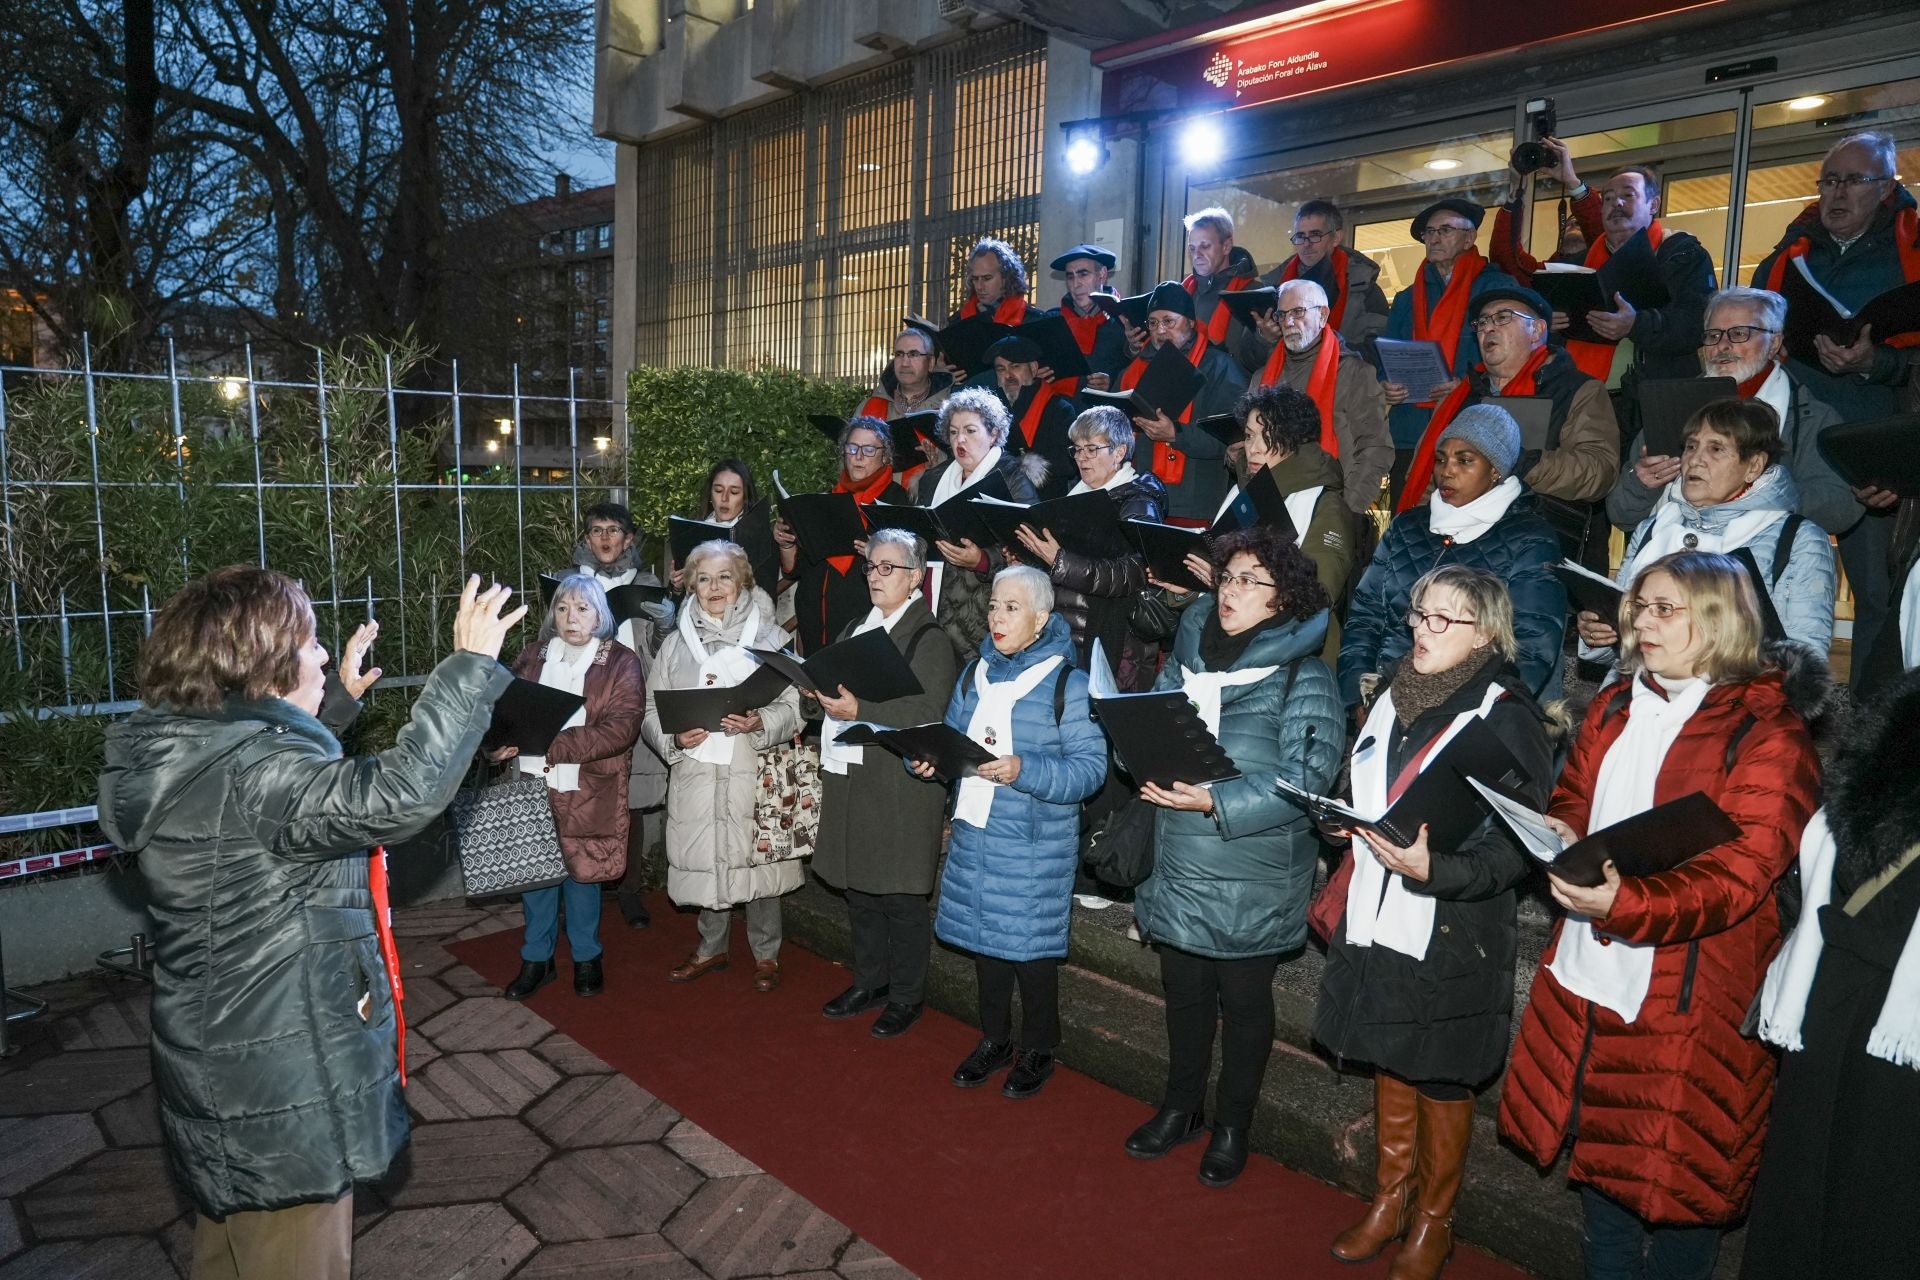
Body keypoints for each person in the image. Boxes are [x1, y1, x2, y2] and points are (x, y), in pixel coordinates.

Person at [97, 569, 524, 1279]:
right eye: (310, 644)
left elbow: (265, 806)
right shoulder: (259, 774)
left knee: (232, 1249)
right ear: (260, 663)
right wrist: (469, 665)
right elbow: (401, 792)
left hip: (224, 1057)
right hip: (282, 1077)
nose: (324, 657)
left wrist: (329, 713)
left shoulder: (195, 751)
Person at [1498, 551, 1825, 1280]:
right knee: (1603, 1175)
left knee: (1679, 1188)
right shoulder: (1616, 704)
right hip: (1590, 966)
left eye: (1664, 609)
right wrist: (1558, 834)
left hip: (1688, 989)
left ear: (1718, 619)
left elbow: (1742, 874)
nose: (1642, 621)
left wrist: (1628, 902)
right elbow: (1575, 797)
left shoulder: (1769, 733)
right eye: (1639, 607)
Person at [1314, 566, 1557, 1280]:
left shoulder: (1507, 714)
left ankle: (1432, 1222)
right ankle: (1389, 1199)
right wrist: (1338, 822)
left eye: (1440, 620)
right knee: (1392, 1052)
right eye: (1418, 615)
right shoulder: (1395, 691)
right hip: (1379, 909)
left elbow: (1518, 847)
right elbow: (1365, 785)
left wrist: (1436, 872)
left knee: (1443, 1073)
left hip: (1452, 925)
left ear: (1484, 633)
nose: (1420, 629)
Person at [1125, 528, 1343, 1187]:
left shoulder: (1306, 675)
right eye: (1227, 577)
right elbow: (1145, 728)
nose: (1231, 591)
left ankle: (1231, 1126)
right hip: (1181, 860)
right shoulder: (1186, 658)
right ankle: (1181, 1107)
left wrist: (1214, 804)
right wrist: (1136, 752)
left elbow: (1308, 779)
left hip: (1254, 865)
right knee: (1184, 994)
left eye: (1251, 581)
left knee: (1244, 1005)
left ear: (1284, 601)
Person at [1745, 668, 1920, 1279]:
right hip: (1847, 999)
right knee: (1821, 1206)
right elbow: (1847, 834)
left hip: (1874, 1015)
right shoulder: (1904, 710)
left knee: (1861, 1214)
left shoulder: (1901, 708)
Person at [915, 566, 1107, 1099]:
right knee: (986, 947)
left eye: (1012, 607)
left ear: (1043, 618)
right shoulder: (972, 673)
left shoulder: (1068, 683)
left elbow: (1090, 770)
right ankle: (995, 1039)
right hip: (978, 830)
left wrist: (1025, 768)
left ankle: (1040, 1047)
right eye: (994, 605)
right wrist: (933, 762)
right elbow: (954, 740)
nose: (996, 616)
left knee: (1032, 954)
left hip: (1032, 840)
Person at [1751, 130, 1920, 688]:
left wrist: (1877, 365)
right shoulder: (1786, 258)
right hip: (1790, 438)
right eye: (1828, 180)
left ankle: (1865, 731)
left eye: (1853, 180)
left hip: (1875, 441)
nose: (1836, 193)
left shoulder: (1913, 251)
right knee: (1759, 579)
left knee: (1877, 594)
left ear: (1888, 186)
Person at [809, 529, 960, 1038]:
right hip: (856, 774)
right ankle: (869, 981)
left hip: (902, 783)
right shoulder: (858, 624)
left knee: (899, 897)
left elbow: (928, 711)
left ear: (916, 577)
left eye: (888, 568)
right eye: (872, 566)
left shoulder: (928, 637)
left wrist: (861, 709)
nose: (876, 576)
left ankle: (906, 996)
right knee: (860, 890)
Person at [644, 540, 805, 993]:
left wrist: (761, 721)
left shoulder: (770, 639)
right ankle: (711, 946)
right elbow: (650, 713)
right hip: (696, 771)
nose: (714, 587)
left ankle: (767, 953)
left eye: (724, 577)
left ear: (743, 583)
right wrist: (673, 738)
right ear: (691, 585)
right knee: (708, 853)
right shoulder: (675, 646)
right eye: (704, 578)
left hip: (752, 767)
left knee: (758, 864)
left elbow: (796, 706)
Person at [1341, 404, 1568, 709]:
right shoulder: (1408, 527)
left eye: (1465, 460)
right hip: (1383, 697)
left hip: (1468, 712)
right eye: (1441, 459)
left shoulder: (1530, 538)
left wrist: (1471, 715)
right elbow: (1365, 616)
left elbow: (1532, 647)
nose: (1447, 471)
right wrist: (1359, 697)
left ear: (1496, 470)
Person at [1579, 398, 1837, 665]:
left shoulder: (1798, 540)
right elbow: (1622, 655)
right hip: (1639, 698)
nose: (1695, 460)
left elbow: (1806, 664)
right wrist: (1602, 634)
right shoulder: (1653, 528)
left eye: (1716, 449)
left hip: (1729, 702)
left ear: (1754, 466)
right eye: (1691, 447)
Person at [492, 575, 647, 1000]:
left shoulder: (619, 661)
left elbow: (622, 727)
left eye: (582, 609)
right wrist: (497, 746)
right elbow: (502, 713)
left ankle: (586, 957)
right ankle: (536, 960)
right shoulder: (532, 656)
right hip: (531, 781)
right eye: (562, 609)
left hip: (589, 783)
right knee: (537, 875)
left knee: (583, 875)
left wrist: (551, 744)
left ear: (600, 614)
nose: (571, 618)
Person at [1608, 286, 1861, 541]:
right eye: (1713, 335)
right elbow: (1621, 514)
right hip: (1672, 562)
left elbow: (1840, 509)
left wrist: (1756, 487)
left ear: (1774, 343)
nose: (1723, 346)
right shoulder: (1671, 406)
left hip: (1762, 569)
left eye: (1739, 334)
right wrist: (1641, 484)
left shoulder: (1810, 417)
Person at [1398, 286, 1621, 566]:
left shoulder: (1579, 390)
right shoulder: (1458, 398)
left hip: (1535, 554)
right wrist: (1415, 546)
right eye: (1482, 322)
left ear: (1537, 331)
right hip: (1456, 553)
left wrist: (1522, 462)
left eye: (1503, 318)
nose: (1488, 329)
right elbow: (1427, 478)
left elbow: (1600, 472)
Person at [1154, 384, 1356, 664]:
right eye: (1249, 436)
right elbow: (1220, 576)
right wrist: (1190, 585)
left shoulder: (1326, 503)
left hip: (1291, 660)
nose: (1255, 448)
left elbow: (1317, 596)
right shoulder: (1243, 489)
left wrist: (1220, 579)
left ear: (1297, 442)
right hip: (1225, 648)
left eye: (1270, 437)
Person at [1494, 150, 1715, 383]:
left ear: (1654, 205)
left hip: (1655, 400)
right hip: (1582, 396)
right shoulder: (1577, 266)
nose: (1616, 203)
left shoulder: (1681, 254)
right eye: (1607, 198)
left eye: (1628, 195)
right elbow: (1510, 263)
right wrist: (1548, 325)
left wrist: (1635, 325)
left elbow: (1697, 325)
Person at [571, 502, 674, 931]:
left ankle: (629, 889)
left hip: (633, 700)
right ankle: (584, 890)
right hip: (584, 704)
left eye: (615, 530)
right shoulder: (570, 584)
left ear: (629, 538)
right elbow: (549, 639)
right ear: (587, 538)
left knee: (628, 802)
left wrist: (667, 622)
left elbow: (664, 647)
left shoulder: (647, 582)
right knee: (582, 800)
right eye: (597, 531)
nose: (606, 538)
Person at [1012, 405, 1165, 686]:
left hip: (1117, 644)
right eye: (1077, 449)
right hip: (1068, 633)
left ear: (1119, 452)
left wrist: (1059, 561)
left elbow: (1133, 574)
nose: (1082, 458)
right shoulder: (1075, 496)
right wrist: (1030, 557)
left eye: (1091, 449)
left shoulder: (1139, 502)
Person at [1380, 199, 1517, 497]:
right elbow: (1387, 359)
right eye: (1429, 232)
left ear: (1469, 238)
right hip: (1410, 430)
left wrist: (1466, 386)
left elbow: (1514, 359)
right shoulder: (1406, 298)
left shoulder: (1498, 288)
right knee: (1410, 526)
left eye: (1445, 230)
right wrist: (1386, 385)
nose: (1435, 238)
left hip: (1470, 428)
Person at [914, 387, 1044, 655]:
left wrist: (982, 560)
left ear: (994, 433)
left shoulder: (1014, 479)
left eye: (971, 431)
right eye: (953, 432)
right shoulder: (932, 479)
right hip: (932, 603)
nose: (960, 440)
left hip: (986, 611)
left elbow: (1033, 551)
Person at [1248, 277, 1394, 514]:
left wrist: (1345, 510)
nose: (1289, 321)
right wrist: (1235, 453)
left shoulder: (1353, 373)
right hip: (1268, 507)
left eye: (1298, 311)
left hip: (1328, 508)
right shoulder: (1261, 378)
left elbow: (1375, 449)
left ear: (1323, 315)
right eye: (1282, 315)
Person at [775, 416, 910, 655]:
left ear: (885, 456)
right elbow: (797, 569)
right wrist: (786, 544)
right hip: (814, 624)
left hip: (863, 625)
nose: (858, 456)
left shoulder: (896, 500)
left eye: (869, 449)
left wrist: (877, 551)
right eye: (852, 447)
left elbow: (909, 569)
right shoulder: (826, 498)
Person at [1121, 281, 1249, 523]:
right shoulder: (1132, 371)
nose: (1159, 330)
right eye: (1153, 323)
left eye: (1169, 321)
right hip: (1142, 500)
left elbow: (1231, 439)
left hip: (1198, 505)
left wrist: (1175, 434)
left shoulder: (1219, 367)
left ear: (1190, 322)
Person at [1236, 199, 1389, 363]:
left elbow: (1378, 353)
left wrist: (1320, 350)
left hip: (1343, 384)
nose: (1307, 244)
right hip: (1285, 384)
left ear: (1336, 237)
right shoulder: (1273, 288)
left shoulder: (1364, 290)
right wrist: (1264, 338)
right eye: (1301, 236)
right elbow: (1248, 361)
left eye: (1315, 235)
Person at [671, 457, 779, 598]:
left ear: (745, 498)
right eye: (718, 490)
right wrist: (677, 586)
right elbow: (676, 604)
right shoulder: (692, 532)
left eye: (734, 492)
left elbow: (766, 598)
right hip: (696, 616)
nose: (724, 498)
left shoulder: (762, 538)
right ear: (710, 494)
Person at [859, 328, 953, 489]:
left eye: (914, 354)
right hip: (871, 505)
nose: (904, 362)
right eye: (899, 354)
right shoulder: (869, 406)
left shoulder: (952, 411)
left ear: (930, 363)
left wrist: (937, 464)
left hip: (926, 505)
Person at [987, 333, 1074, 498]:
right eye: (1001, 369)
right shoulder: (989, 410)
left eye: (1015, 366)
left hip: (1047, 503)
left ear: (1033, 368)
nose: (1008, 375)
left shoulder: (1060, 409)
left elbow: (1067, 465)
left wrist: (1021, 466)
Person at [1180, 206, 1262, 356]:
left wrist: (1265, 339)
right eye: (1192, 248)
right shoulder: (1181, 292)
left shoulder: (1253, 293)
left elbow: (1256, 360)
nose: (1196, 255)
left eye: (1205, 246)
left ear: (1226, 246)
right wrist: (1134, 346)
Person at [1048, 243, 1128, 391]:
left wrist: (1113, 383)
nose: (1076, 284)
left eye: (1083, 274)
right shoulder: (1051, 323)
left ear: (1102, 275)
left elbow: (1138, 373)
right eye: (1070, 277)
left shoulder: (1125, 323)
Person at [957, 237, 1043, 328]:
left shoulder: (1035, 322)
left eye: (987, 278)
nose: (979, 286)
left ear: (1006, 277)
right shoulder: (958, 322)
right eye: (975, 279)